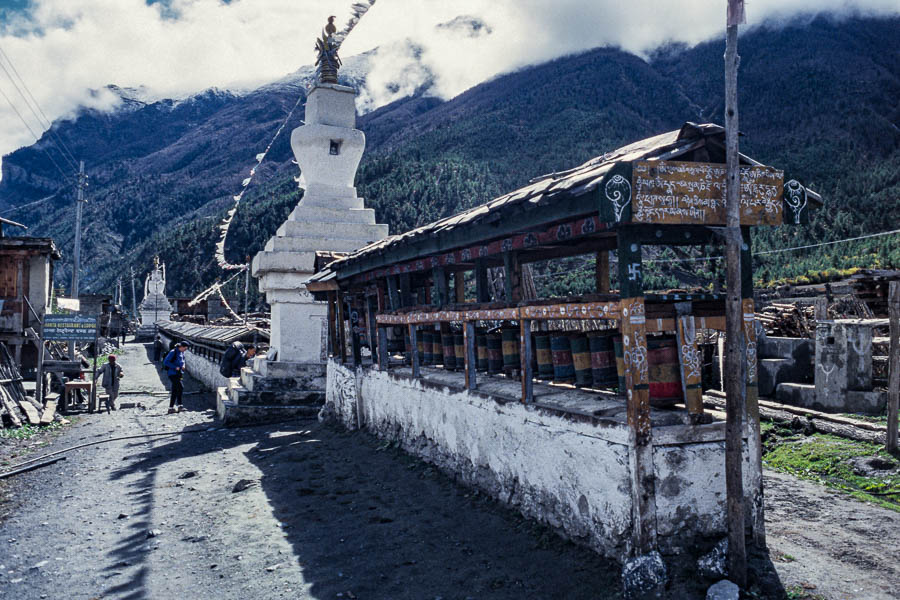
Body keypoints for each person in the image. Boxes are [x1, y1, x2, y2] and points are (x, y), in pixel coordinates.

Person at [163, 341, 189, 413]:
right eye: (185, 348)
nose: (185, 350)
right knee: (180, 387)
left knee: (175, 390)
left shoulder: (182, 352)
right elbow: (166, 362)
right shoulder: (173, 352)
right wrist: (175, 367)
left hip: (179, 373)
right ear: (180, 347)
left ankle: (171, 408)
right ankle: (180, 405)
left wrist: (183, 365)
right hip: (172, 373)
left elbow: (183, 360)